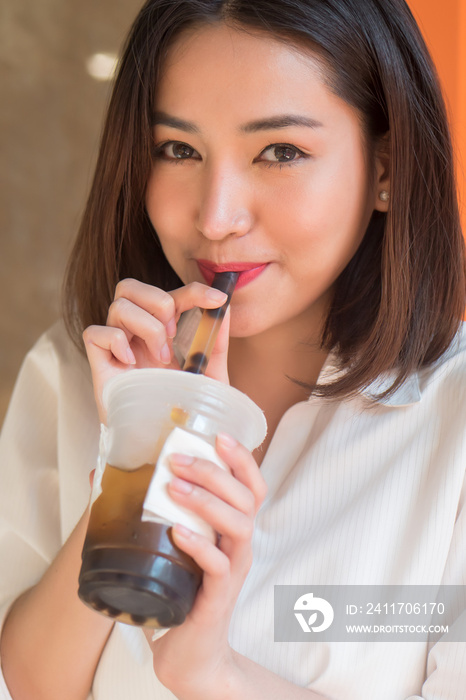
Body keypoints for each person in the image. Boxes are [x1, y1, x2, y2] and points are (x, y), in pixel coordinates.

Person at [0, 0, 465, 698]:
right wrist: (138, 453)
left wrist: (212, 672)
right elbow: (26, 684)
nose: (216, 217)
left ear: (386, 168)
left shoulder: (452, 420)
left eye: (281, 152)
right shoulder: (75, 373)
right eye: (178, 149)